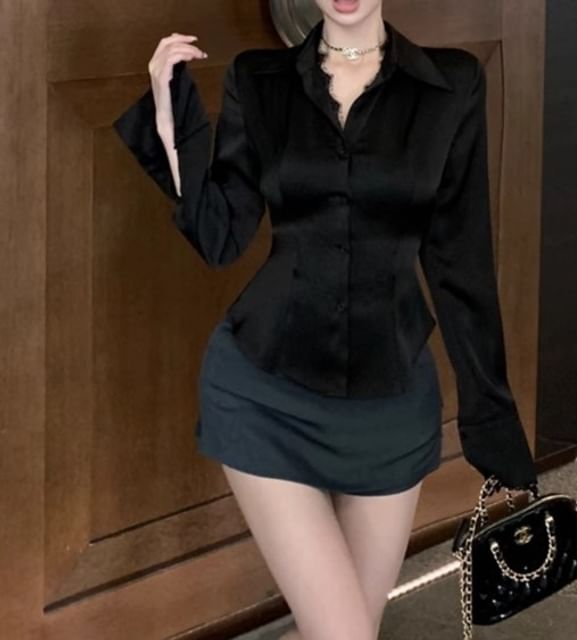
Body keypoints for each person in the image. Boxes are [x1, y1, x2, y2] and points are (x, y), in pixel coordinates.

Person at [112, 1, 538, 638]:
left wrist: (493, 422)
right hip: (262, 397)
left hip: (390, 411)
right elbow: (220, 235)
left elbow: (460, 263)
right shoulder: (259, 81)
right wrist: (168, 114)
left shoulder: (451, 86)